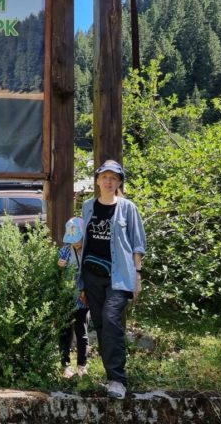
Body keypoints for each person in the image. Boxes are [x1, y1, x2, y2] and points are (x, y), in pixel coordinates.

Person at [78, 159, 146, 399]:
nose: (108, 181)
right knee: (100, 324)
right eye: (104, 177)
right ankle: (111, 377)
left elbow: (138, 244)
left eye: (113, 178)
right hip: (91, 275)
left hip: (119, 276)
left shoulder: (128, 208)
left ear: (119, 183)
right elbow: (83, 240)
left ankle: (118, 379)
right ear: (97, 180)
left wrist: (137, 276)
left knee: (111, 319)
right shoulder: (87, 206)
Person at [57, 217, 90, 379]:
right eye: (73, 240)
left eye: (78, 239)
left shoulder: (88, 252)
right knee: (65, 332)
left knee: (81, 331)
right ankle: (65, 365)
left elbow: (91, 273)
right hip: (66, 296)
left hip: (82, 297)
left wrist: (86, 290)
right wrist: (59, 265)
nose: (75, 243)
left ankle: (82, 365)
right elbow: (56, 273)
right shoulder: (65, 250)